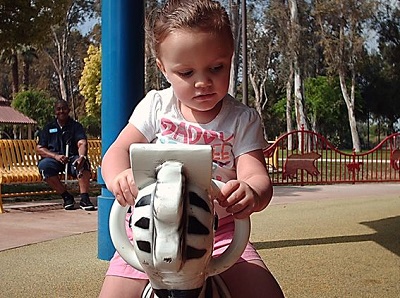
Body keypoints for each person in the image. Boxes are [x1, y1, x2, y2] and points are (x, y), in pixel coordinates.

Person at [99, 0, 284, 297]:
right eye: (186, 73)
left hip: (219, 233)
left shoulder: (241, 120)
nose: (202, 82)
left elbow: (257, 175)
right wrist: (120, 177)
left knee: (266, 293)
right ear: (163, 69)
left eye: (216, 68)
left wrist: (250, 191)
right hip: (151, 233)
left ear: (231, 58)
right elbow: (116, 153)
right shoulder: (156, 107)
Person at [36, 99, 96, 211]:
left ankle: (84, 198)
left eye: (64, 108)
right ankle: (67, 197)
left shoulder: (76, 126)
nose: (61, 111)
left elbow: (82, 142)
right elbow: (39, 148)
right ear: (55, 111)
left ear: (68, 110)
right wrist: (55, 156)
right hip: (54, 159)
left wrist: (81, 157)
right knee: (44, 167)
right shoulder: (48, 127)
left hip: (72, 157)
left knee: (84, 164)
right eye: (58, 109)